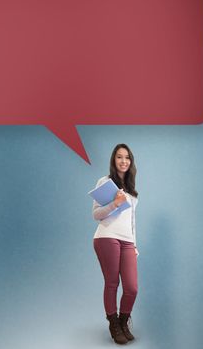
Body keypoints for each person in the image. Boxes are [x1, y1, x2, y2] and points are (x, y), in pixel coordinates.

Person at [92, 143, 139, 345]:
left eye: (127, 157)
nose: (123, 161)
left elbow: (132, 221)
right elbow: (96, 214)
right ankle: (113, 324)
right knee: (112, 283)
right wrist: (115, 204)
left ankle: (123, 321)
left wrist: (134, 245)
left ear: (131, 161)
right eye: (119, 157)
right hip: (107, 236)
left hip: (127, 241)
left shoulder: (132, 190)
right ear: (114, 160)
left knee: (132, 288)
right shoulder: (105, 181)